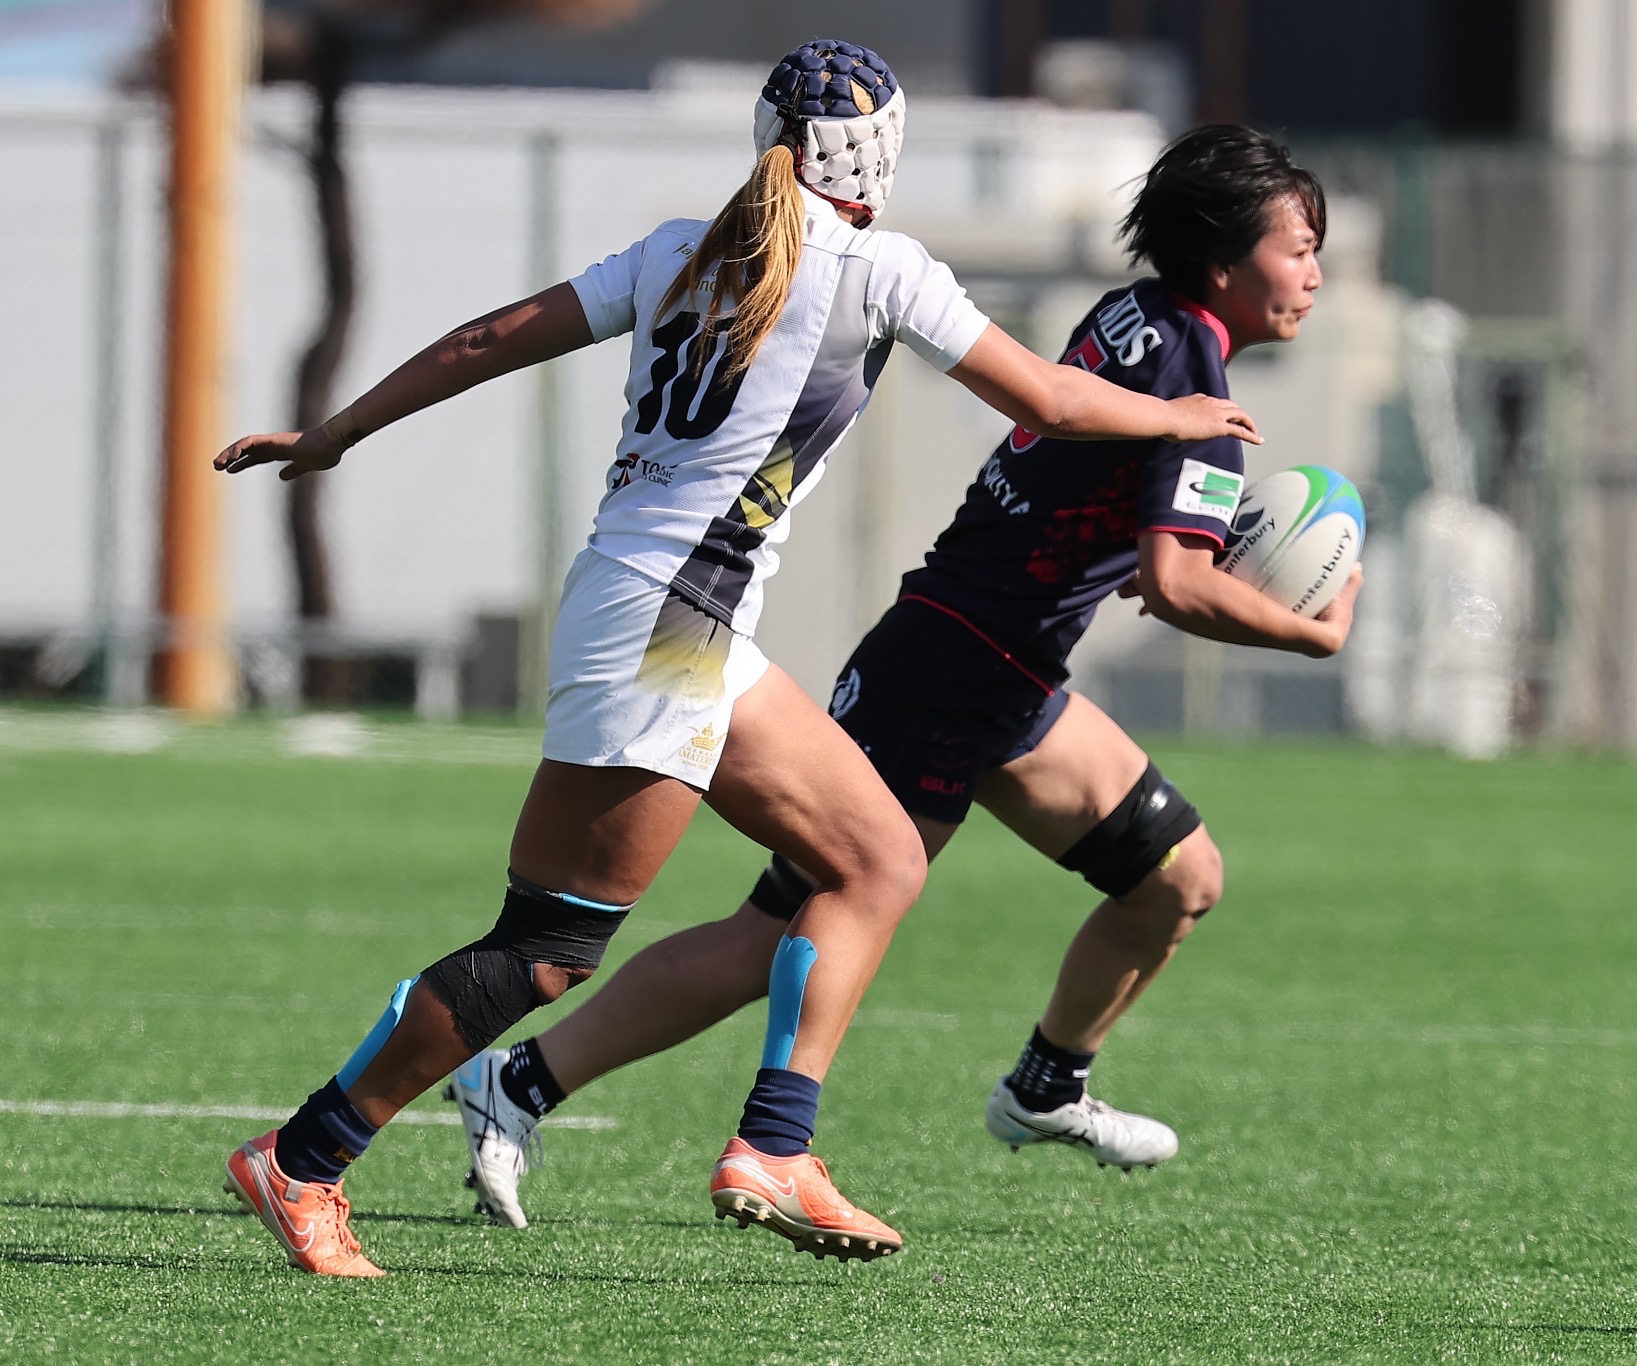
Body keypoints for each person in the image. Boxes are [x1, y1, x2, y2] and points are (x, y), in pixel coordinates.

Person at [214, 41, 1260, 1278]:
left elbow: (492, 337)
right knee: (545, 947)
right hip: (670, 628)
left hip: (671, 620)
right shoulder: (877, 267)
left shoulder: (678, 250)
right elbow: (1047, 400)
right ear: (878, 154)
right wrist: (1177, 413)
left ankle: (774, 1145)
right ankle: (306, 1157)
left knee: (875, 857)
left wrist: (340, 429)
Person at [447, 123, 1355, 1231]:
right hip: (947, 671)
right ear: (1222, 262)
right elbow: (1178, 587)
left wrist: (1114, 545)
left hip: (1002, 673)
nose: (1314, 272)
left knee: (1177, 878)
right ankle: (526, 1082)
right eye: (1298, 248)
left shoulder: (1136, 319)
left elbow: (1096, 500)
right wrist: (1312, 632)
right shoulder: (1197, 389)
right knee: (776, 930)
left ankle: (1045, 1086)